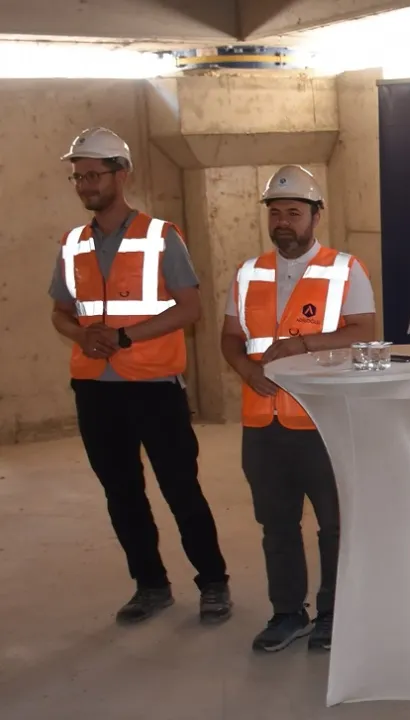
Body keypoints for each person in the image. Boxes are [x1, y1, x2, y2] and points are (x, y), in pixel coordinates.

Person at [49, 127, 232, 625]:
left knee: (181, 489)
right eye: (78, 176)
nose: (85, 184)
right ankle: (150, 585)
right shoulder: (72, 243)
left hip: (154, 388)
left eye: (93, 174)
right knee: (122, 493)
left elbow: (190, 307)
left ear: (121, 174)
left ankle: (213, 582)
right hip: (95, 389)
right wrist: (81, 335)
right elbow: (61, 312)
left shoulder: (160, 237)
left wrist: (124, 336)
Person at [220, 165, 376, 653]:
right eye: (275, 213)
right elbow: (230, 337)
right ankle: (288, 613)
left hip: (323, 421)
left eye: (294, 212)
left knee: (335, 525)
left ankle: (334, 614)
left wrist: (299, 345)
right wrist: (247, 371)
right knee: (277, 525)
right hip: (262, 422)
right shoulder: (249, 273)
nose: (283, 222)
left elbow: (363, 330)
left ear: (315, 216)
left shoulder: (345, 269)